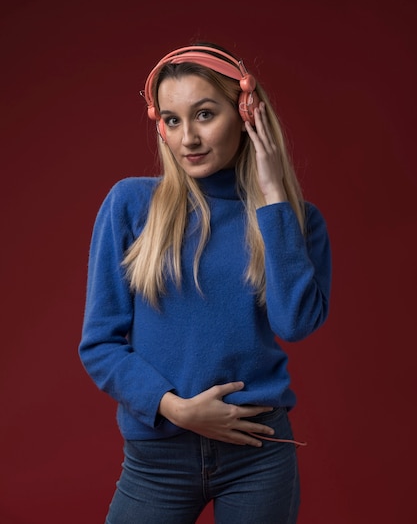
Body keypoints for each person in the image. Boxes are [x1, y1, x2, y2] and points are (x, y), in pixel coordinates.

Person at [79, 43, 332, 524]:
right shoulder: (132, 205)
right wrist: (175, 409)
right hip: (158, 460)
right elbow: (100, 345)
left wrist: (274, 196)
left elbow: (295, 323)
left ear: (245, 115)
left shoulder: (296, 222)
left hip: (258, 452)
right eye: (172, 120)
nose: (188, 137)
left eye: (204, 114)